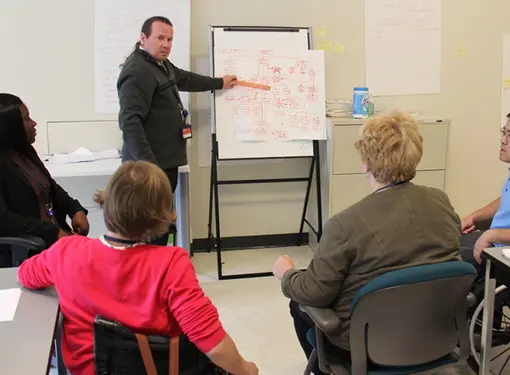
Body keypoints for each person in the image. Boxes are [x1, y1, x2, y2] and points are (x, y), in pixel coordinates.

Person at [17, 161, 258, 375]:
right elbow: (211, 342)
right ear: (162, 216)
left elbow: (25, 275)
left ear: (107, 202)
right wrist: (246, 369)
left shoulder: (66, 251)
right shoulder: (172, 263)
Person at [272, 111, 461, 375]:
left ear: (366, 163)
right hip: (436, 336)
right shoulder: (441, 202)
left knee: (298, 304)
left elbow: (314, 292)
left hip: (365, 348)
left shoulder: (345, 223)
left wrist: (287, 274)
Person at [117, 16, 237, 244]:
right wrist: (149, 168)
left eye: (170, 39)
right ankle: (150, 275)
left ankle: (160, 271)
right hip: (149, 170)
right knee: (149, 229)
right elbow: (130, 122)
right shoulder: (138, 71)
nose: (166, 44)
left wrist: (219, 83)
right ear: (143, 38)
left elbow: (186, 79)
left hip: (163, 165)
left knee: (160, 225)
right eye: (160, 38)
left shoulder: (160, 65)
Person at [0, 93, 89, 267]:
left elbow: (48, 185)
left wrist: (75, 209)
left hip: (55, 239)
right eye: (26, 119)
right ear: (10, 127)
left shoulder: (25, 152)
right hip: (30, 250)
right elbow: (3, 219)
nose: (34, 123)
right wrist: (53, 232)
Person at [460, 113, 510, 266]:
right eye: (504, 132)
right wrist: (473, 217)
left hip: (501, 254)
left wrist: (492, 235)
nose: (503, 140)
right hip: (494, 242)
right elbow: (505, 198)